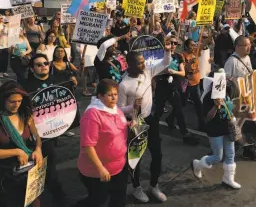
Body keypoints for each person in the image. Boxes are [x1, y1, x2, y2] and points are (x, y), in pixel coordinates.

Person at [118, 44, 172, 203]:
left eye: (144, 62)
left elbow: (165, 63)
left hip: (150, 120)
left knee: (157, 154)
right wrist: (132, 107)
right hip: (135, 123)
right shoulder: (124, 84)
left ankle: (154, 186)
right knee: (136, 158)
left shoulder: (147, 72)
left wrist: (167, 50)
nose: (144, 64)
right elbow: (120, 109)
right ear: (130, 65)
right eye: (140, 63)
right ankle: (137, 188)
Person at [25, 54, 76, 204]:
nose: (43, 66)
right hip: (37, 135)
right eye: (38, 64)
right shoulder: (26, 86)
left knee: (47, 164)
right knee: (47, 164)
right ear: (32, 68)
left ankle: (42, 193)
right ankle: (57, 195)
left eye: (45, 63)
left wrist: (72, 83)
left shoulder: (57, 82)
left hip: (54, 130)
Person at [76, 79, 129, 207]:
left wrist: (128, 125)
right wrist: (100, 169)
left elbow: (117, 126)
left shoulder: (115, 109)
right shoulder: (92, 115)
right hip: (98, 171)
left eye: (116, 94)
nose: (114, 98)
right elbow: (88, 146)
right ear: (100, 96)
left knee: (119, 197)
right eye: (110, 95)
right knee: (98, 200)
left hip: (119, 167)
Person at [191, 76, 241, 190]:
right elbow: (208, 117)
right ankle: (197, 165)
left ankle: (228, 178)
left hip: (227, 128)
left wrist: (233, 81)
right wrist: (215, 106)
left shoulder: (227, 91)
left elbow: (236, 97)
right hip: (215, 130)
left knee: (230, 154)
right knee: (217, 157)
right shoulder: (208, 97)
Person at [0, 81, 43, 207]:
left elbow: (36, 136)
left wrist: (38, 149)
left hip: (30, 171)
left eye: (19, 101)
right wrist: (16, 151)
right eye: (12, 102)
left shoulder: (25, 114)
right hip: (7, 175)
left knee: (34, 202)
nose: (16, 105)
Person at [155, 35, 199, 145]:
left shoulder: (178, 56)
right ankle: (153, 132)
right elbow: (154, 72)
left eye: (175, 43)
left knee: (179, 110)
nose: (173, 45)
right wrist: (164, 71)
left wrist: (174, 72)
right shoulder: (159, 56)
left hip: (173, 86)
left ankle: (184, 133)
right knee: (158, 111)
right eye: (171, 43)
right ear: (166, 43)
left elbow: (183, 72)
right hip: (161, 86)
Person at [224, 36, 256, 160]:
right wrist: (233, 80)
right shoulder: (231, 62)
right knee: (243, 126)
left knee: (249, 125)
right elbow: (225, 81)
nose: (249, 47)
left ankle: (247, 148)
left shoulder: (247, 58)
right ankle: (245, 149)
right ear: (237, 47)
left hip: (248, 99)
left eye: (249, 44)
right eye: (246, 45)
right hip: (237, 103)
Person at [181, 39, 206, 131]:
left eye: (194, 45)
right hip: (187, 84)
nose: (194, 47)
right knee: (182, 104)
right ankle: (170, 118)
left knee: (199, 105)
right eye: (192, 45)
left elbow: (205, 43)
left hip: (196, 84)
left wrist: (211, 34)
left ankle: (201, 125)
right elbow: (184, 71)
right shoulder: (182, 55)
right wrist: (190, 63)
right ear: (186, 46)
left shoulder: (195, 52)